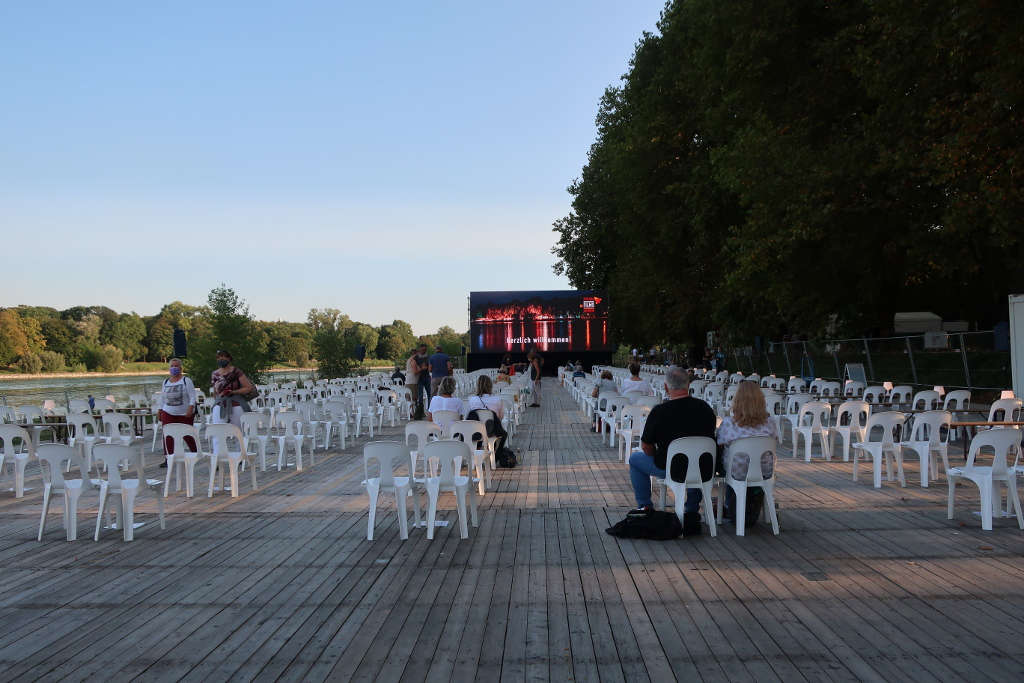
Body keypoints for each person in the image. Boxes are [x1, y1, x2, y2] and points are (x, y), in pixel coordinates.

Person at [628, 366, 716, 536]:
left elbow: (646, 446)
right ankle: (691, 510)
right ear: (688, 385)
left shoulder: (659, 411)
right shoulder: (705, 408)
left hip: (670, 467)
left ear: (666, 387)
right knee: (695, 461)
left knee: (635, 460)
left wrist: (657, 456)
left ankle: (645, 506)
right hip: (703, 468)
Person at [717, 381, 777, 520]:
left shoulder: (729, 423)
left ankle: (729, 505)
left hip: (737, 472)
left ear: (737, 400)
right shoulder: (770, 423)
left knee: (727, 457)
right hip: (765, 471)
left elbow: (719, 443)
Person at [158, 358, 197, 465]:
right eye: (172, 366)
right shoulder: (165, 382)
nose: (174, 368)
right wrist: (160, 410)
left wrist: (190, 407)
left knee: (188, 435)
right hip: (168, 411)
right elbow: (162, 397)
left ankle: (196, 453)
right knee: (167, 435)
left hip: (184, 413)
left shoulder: (186, 381)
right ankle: (168, 458)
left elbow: (192, 396)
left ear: (180, 368)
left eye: (176, 366)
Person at [210, 350, 255, 428]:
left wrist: (233, 392)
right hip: (220, 404)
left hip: (236, 404)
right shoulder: (214, 374)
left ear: (229, 359)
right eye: (219, 357)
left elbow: (248, 387)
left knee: (237, 432)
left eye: (223, 357)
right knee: (217, 430)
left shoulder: (236, 371)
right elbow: (215, 391)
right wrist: (218, 399)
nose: (221, 359)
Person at [465, 375, 508, 454]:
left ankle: (477, 449)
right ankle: (496, 454)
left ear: (478, 386)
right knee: (504, 434)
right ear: (490, 386)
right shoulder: (497, 400)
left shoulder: (472, 400)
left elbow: (468, 417)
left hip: (475, 433)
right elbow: (500, 418)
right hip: (491, 431)